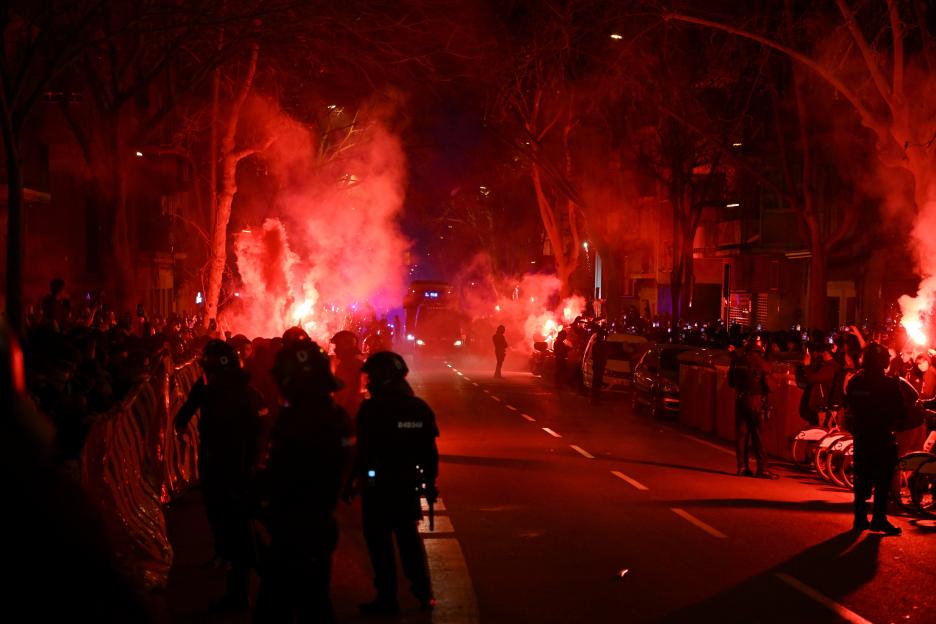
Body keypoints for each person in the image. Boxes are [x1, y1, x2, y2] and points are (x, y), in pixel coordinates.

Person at [253, 341, 354, 623]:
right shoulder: (328, 415)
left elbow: (292, 475)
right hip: (310, 525)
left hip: (300, 527)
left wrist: (259, 495)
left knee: (289, 605)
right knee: (313, 602)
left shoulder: (306, 420)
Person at [174, 339, 264, 611]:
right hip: (219, 466)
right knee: (222, 518)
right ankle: (228, 557)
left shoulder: (242, 394)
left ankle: (240, 592)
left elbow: (256, 434)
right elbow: (191, 405)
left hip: (231, 470)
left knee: (236, 526)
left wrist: (247, 466)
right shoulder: (215, 389)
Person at [353, 351, 438, 615]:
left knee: (381, 545)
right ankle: (423, 594)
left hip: (380, 488)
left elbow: (363, 450)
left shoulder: (372, 408)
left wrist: (353, 480)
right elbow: (428, 452)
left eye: (374, 375)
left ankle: (388, 598)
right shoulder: (417, 408)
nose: (369, 381)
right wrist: (429, 482)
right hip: (403, 486)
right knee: (408, 541)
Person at [844, 343, 904, 535]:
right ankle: (879, 518)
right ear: (884, 361)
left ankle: (860, 518)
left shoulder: (855, 382)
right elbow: (900, 411)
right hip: (882, 437)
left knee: (861, 478)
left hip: (861, 437)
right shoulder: (890, 384)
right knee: (882, 480)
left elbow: (850, 406)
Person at [727, 340, 779, 479]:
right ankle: (763, 469)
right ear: (759, 350)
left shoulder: (737, 361)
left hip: (740, 400)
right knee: (759, 436)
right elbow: (771, 386)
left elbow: (730, 382)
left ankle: (742, 468)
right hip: (755, 401)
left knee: (741, 435)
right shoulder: (761, 363)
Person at [798, 342, 841, 427]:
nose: (822, 354)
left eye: (824, 352)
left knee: (821, 429)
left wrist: (807, 366)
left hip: (823, 405)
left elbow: (814, 378)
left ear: (828, 353)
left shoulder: (830, 367)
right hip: (824, 404)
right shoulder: (830, 365)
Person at [331, 330, 364, 417]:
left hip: (348, 414)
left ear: (345, 346)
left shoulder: (351, 365)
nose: (335, 350)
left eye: (337, 345)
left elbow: (344, 394)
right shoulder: (351, 363)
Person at [591, 329, 608, 405]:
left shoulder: (596, 345)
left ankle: (595, 399)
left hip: (597, 366)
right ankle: (595, 400)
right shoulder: (601, 346)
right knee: (597, 383)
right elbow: (603, 356)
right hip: (599, 366)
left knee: (596, 383)